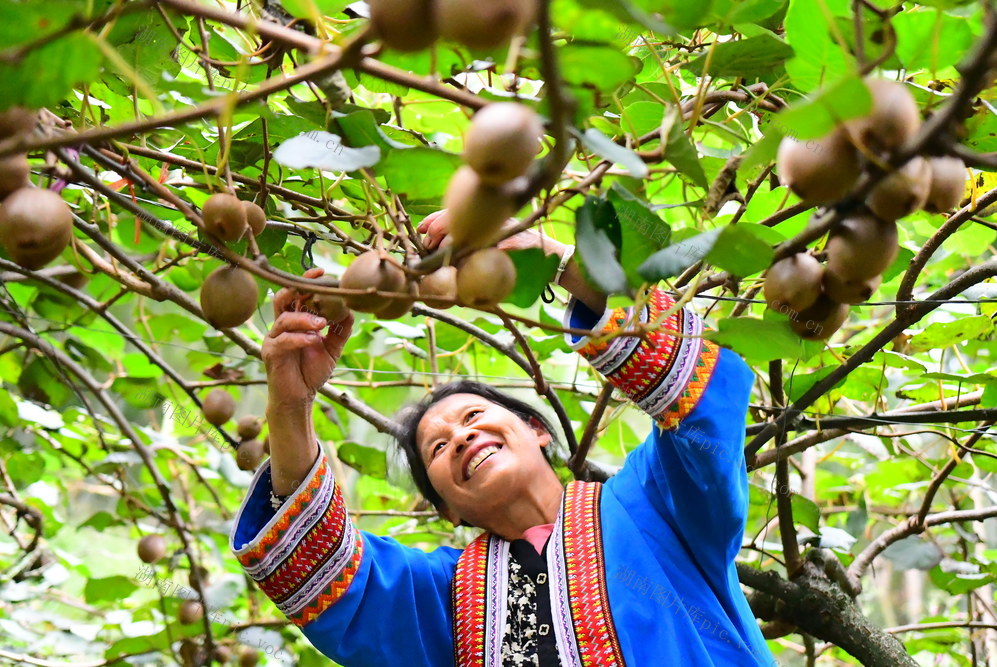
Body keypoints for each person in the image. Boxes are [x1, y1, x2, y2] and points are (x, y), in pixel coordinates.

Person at [229, 211, 775, 666]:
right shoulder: (443, 597)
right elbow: (322, 571)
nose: (462, 439)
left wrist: (550, 257)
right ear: (448, 511)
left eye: (472, 417)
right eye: (438, 449)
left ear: (537, 430)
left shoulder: (654, 503)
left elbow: (701, 405)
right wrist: (292, 403)